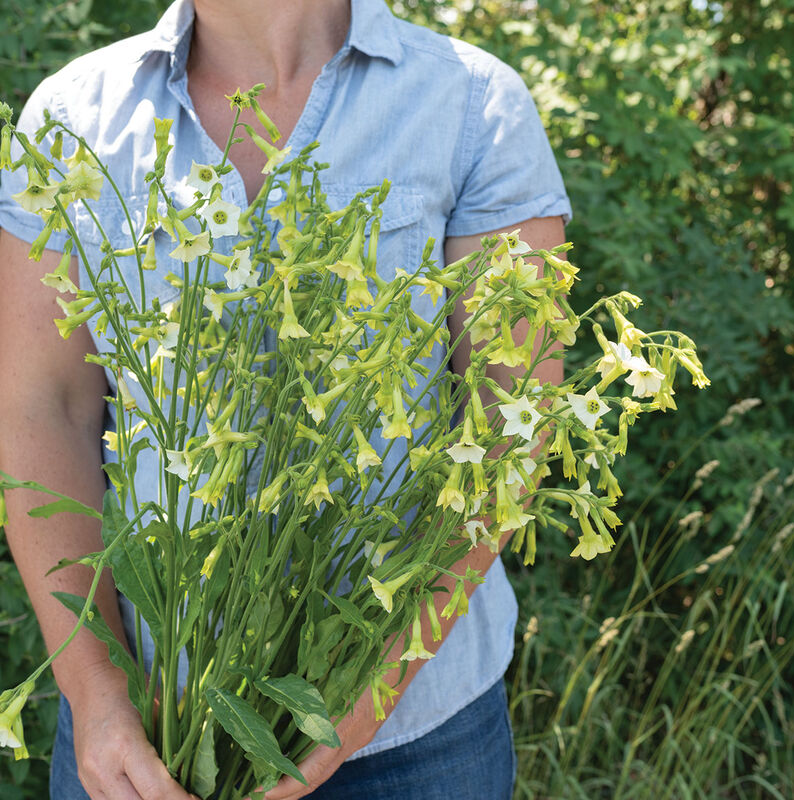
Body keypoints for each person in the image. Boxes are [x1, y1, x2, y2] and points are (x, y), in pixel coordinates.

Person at [0, 0, 571, 797]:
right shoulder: (73, 116)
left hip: (412, 742)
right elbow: (41, 411)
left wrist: (363, 697)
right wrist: (100, 696)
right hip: (147, 729)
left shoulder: (473, 105)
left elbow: (513, 431)